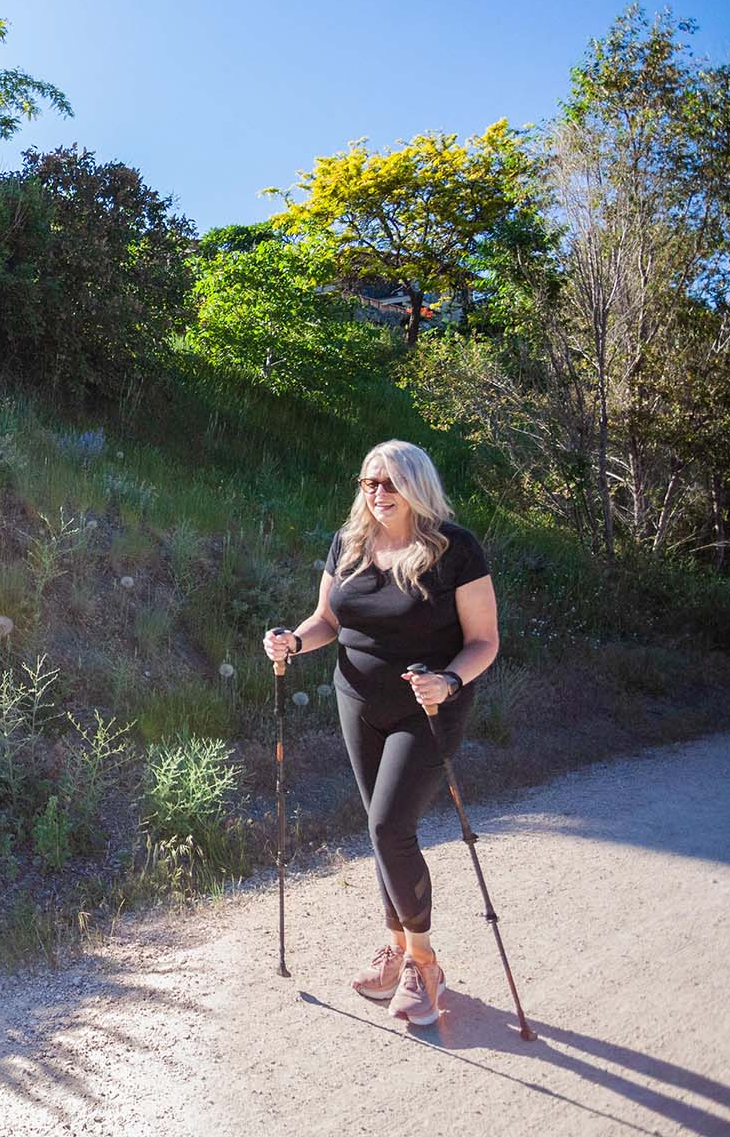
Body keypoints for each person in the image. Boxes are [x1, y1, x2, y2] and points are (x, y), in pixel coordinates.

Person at [262, 439, 499, 1026]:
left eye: (391, 482)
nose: (378, 493)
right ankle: (396, 946)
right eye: (369, 482)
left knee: (391, 825)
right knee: (378, 826)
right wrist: (294, 641)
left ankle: (424, 963)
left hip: (428, 706)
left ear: (417, 485)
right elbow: (328, 620)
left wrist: (448, 680)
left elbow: (484, 642)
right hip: (357, 702)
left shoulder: (454, 549)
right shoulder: (349, 542)